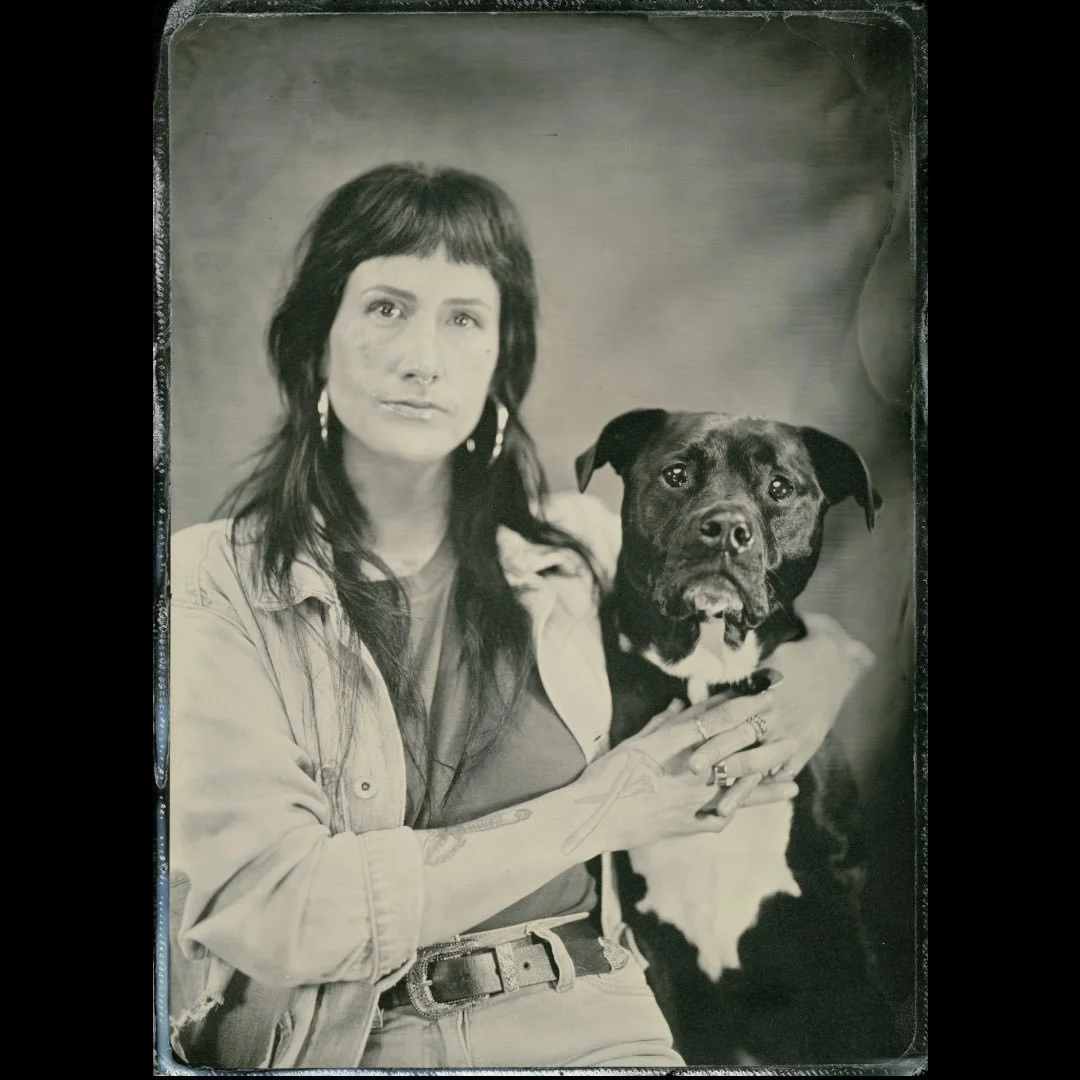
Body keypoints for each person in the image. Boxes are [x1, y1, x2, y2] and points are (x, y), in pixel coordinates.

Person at [167, 163, 875, 1069]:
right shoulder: (211, 584)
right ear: (317, 342)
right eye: (386, 306)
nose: (424, 357)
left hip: (599, 1031)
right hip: (339, 1050)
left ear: (502, 362)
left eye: (463, 318)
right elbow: (278, 912)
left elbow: (811, 640)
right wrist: (605, 809)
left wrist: (797, 704)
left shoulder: (572, 551)